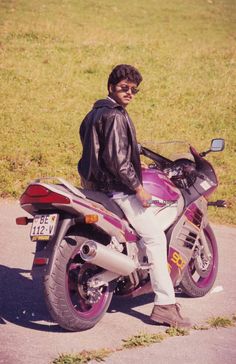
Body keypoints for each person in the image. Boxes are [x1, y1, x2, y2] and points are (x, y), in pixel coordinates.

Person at [78, 64, 191, 328]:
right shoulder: (116, 116)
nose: (129, 93)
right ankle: (165, 305)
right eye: (124, 88)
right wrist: (139, 189)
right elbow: (118, 161)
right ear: (111, 87)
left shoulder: (92, 115)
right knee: (154, 239)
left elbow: (96, 151)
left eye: (134, 89)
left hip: (94, 189)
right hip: (118, 190)